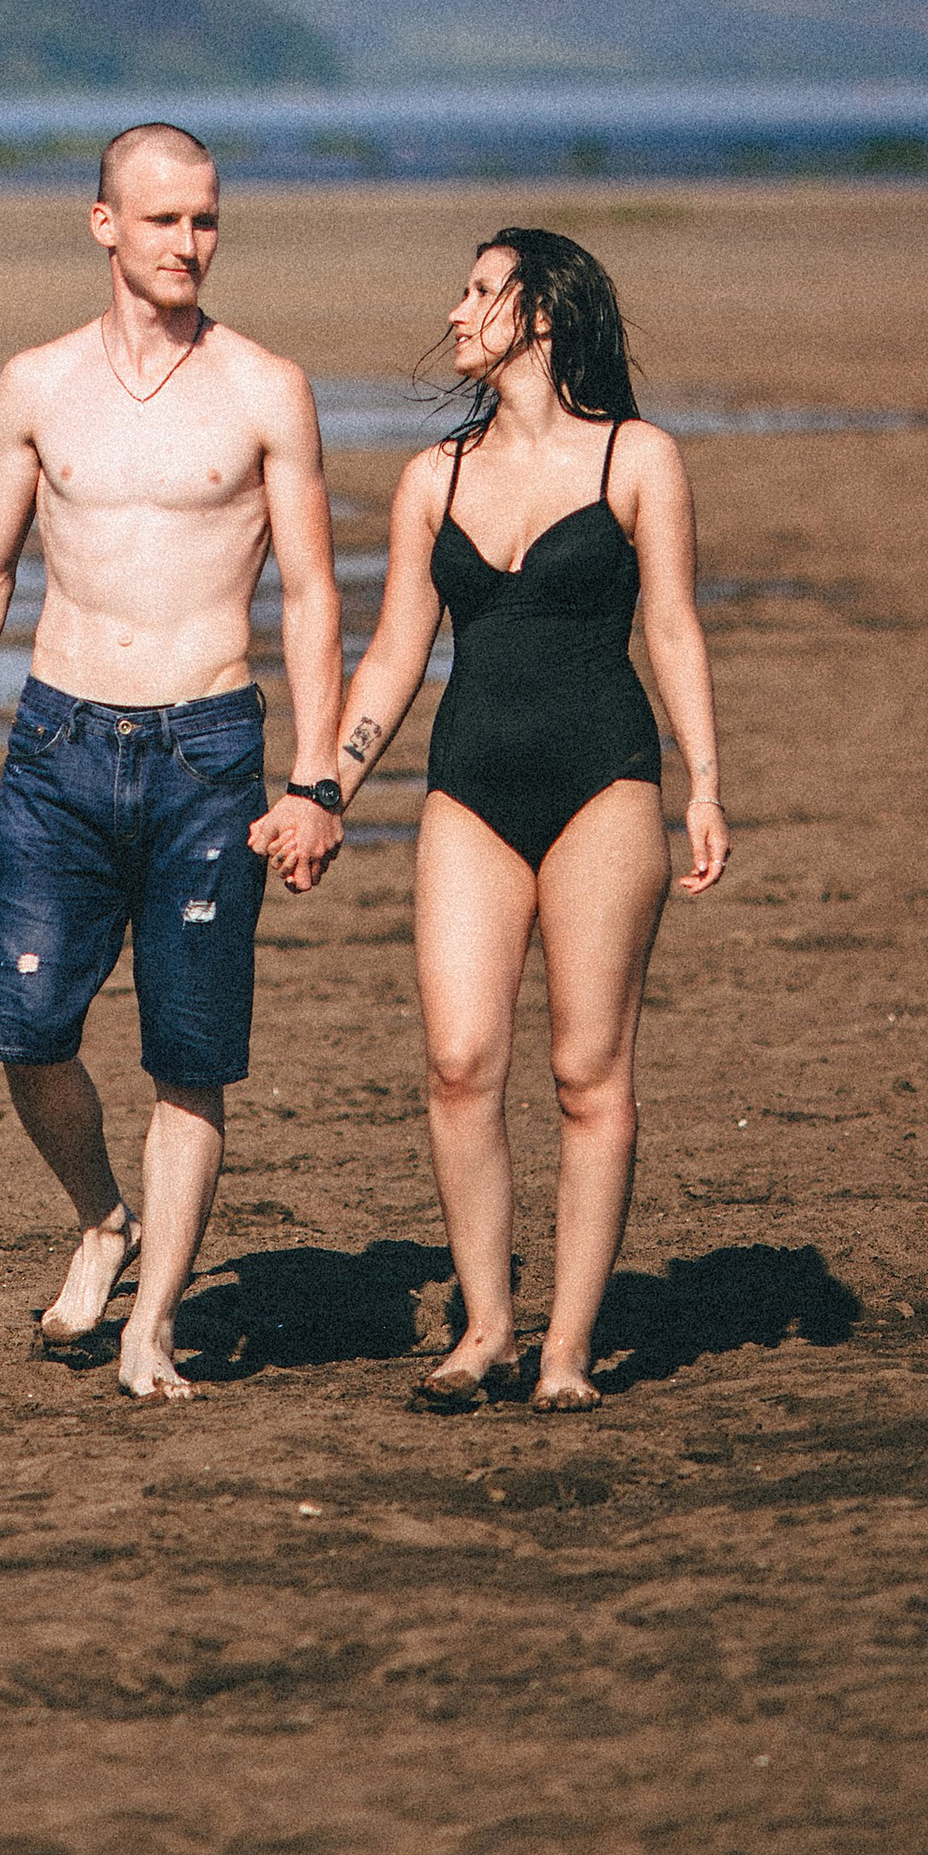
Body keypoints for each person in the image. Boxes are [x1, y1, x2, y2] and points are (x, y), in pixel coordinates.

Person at [0, 123, 345, 1403]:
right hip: (57, 742)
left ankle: (151, 1323)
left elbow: (310, 593)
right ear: (103, 225)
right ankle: (101, 1215)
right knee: (24, 1029)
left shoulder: (265, 386)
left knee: (188, 1057)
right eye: (161, 220)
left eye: (204, 219)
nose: (188, 242)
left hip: (206, 751)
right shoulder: (36, 383)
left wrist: (317, 777)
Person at [311, 227, 729, 1414]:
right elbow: (394, 652)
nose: (455, 312)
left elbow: (675, 628)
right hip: (468, 786)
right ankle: (486, 1325)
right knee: (457, 1063)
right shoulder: (430, 475)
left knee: (587, 1069)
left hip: (604, 776)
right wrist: (327, 786)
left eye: (480, 291)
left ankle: (566, 1350)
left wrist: (704, 781)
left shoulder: (636, 459)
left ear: (539, 315)